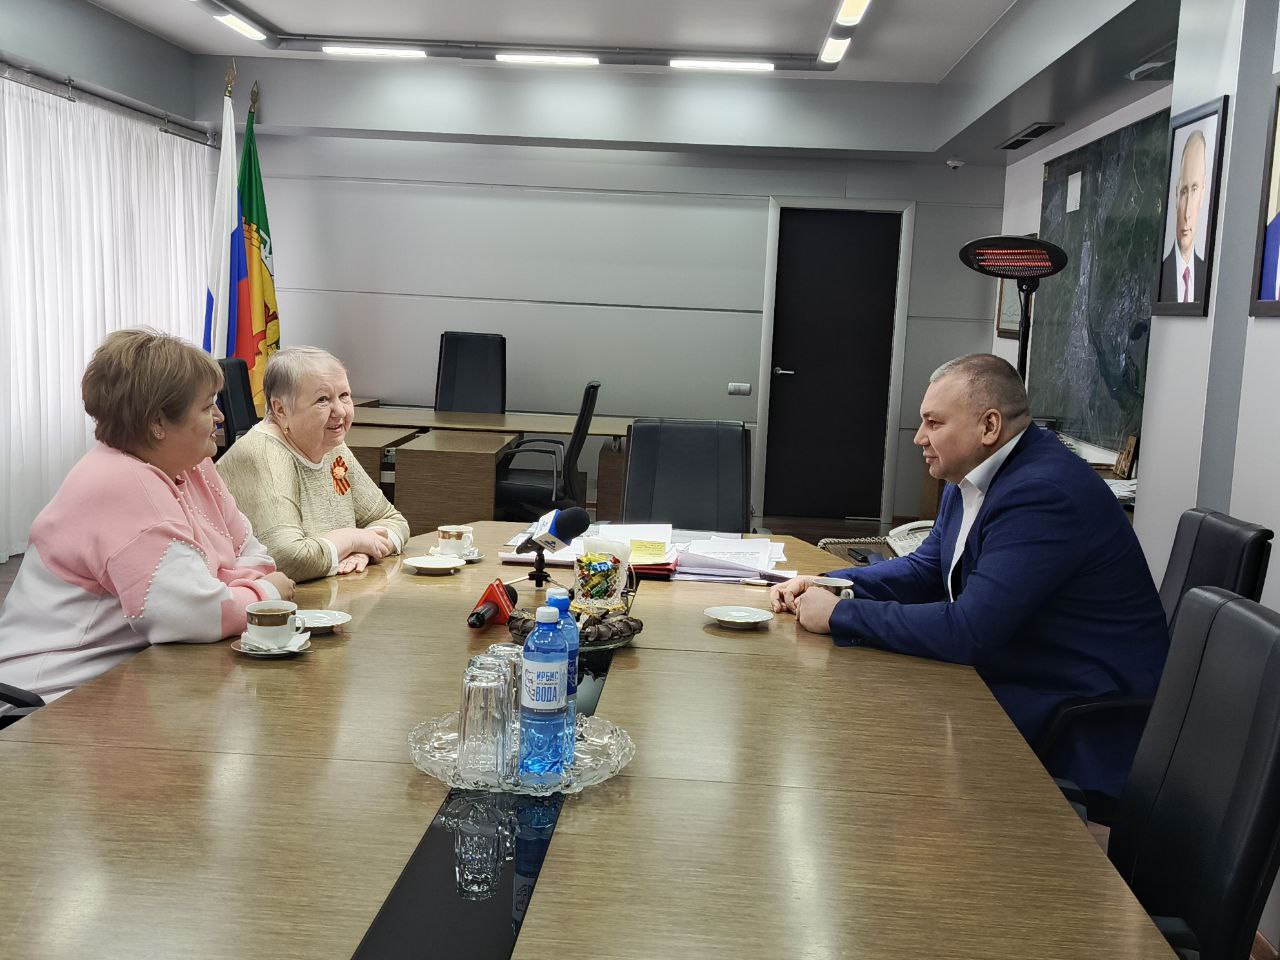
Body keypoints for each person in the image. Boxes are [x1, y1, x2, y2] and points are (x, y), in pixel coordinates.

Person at [770, 354, 1169, 798]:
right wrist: (830, 583)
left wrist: (839, 615)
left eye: (934, 423)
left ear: (989, 426)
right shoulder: (973, 476)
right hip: (1020, 668)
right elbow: (926, 569)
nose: (919, 437)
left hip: (1076, 707)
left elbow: (968, 631)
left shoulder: (1042, 494)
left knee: (880, 733)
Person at [0, 329, 294, 712]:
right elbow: (191, 616)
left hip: (126, 683)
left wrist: (221, 590)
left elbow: (253, 554)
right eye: (207, 407)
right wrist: (266, 595)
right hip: (48, 702)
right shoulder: (121, 483)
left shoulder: (193, 466)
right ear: (158, 422)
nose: (220, 417)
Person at [216, 346, 409, 582]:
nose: (340, 411)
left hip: (336, 592)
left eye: (344, 395)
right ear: (280, 409)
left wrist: (366, 548)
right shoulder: (263, 454)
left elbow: (392, 519)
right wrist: (352, 540)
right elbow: (286, 558)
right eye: (322, 400)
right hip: (279, 601)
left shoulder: (330, 443)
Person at [1160, 129, 1208, 304]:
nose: (1187, 213)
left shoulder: (1207, 279)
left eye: (1194, 189)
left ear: (1203, 192)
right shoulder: (1159, 278)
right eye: (1183, 192)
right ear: (1175, 195)